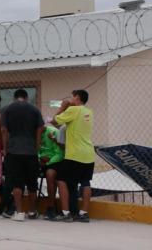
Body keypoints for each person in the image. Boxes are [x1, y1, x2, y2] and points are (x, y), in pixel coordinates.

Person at [51, 90, 95, 223]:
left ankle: (66, 213)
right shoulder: (89, 112)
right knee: (85, 182)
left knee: (61, 179)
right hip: (88, 154)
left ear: (77, 97)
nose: (71, 98)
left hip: (74, 154)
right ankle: (84, 213)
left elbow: (54, 122)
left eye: (72, 96)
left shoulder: (73, 110)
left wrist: (63, 107)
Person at [0, 89, 44, 221]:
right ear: (26, 97)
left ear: (15, 97)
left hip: (14, 150)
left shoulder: (6, 109)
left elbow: (4, 130)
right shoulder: (34, 109)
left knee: (17, 183)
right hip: (30, 151)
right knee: (32, 183)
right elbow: (40, 128)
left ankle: (19, 212)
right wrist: (37, 146)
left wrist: (4, 148)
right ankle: (31, 211)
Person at [39, 123, 65, 220]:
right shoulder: (35, 133)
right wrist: (39, 159)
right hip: (40, 161)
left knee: (50, 175)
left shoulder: (54, 132)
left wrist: (48, 162)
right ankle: (31, 210)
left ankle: (51, 207)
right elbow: (36, 150)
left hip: (54, 161)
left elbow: (59, 153)